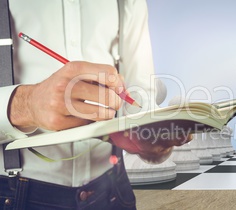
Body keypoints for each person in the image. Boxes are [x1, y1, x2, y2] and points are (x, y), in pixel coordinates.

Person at [0, 0, 189, 209]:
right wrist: (24, 105)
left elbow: (141, 98)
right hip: (15, 194)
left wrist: (153, 139)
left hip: (114, 189)